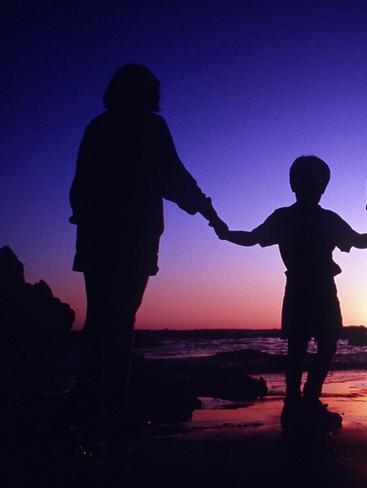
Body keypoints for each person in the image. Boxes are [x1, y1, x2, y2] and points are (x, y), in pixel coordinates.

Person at [69, 64, 227, 445]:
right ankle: (112, 408)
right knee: (121, 320)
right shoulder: (150, 128)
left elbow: (80, 186)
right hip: (133, 235)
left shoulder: (97, 127)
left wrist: (87, 218)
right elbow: (174, 176)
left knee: (99, 319)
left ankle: (88, 401)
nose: (160, 95)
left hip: (97, 235)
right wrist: (209, 214)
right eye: (154, 89)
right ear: (143, 92)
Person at [218, 156, 367, 430]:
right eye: (311, 181)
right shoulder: (300, 218)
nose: (315, 187)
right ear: (300, 185)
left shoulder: (303, 218)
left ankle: (301, 400)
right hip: (314, 288)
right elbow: (253, 237)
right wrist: (227, 233)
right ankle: (300, 399)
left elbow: (253, 238)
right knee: (311, 345)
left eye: (316, 182)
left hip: (311, 288)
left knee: (312, 345)